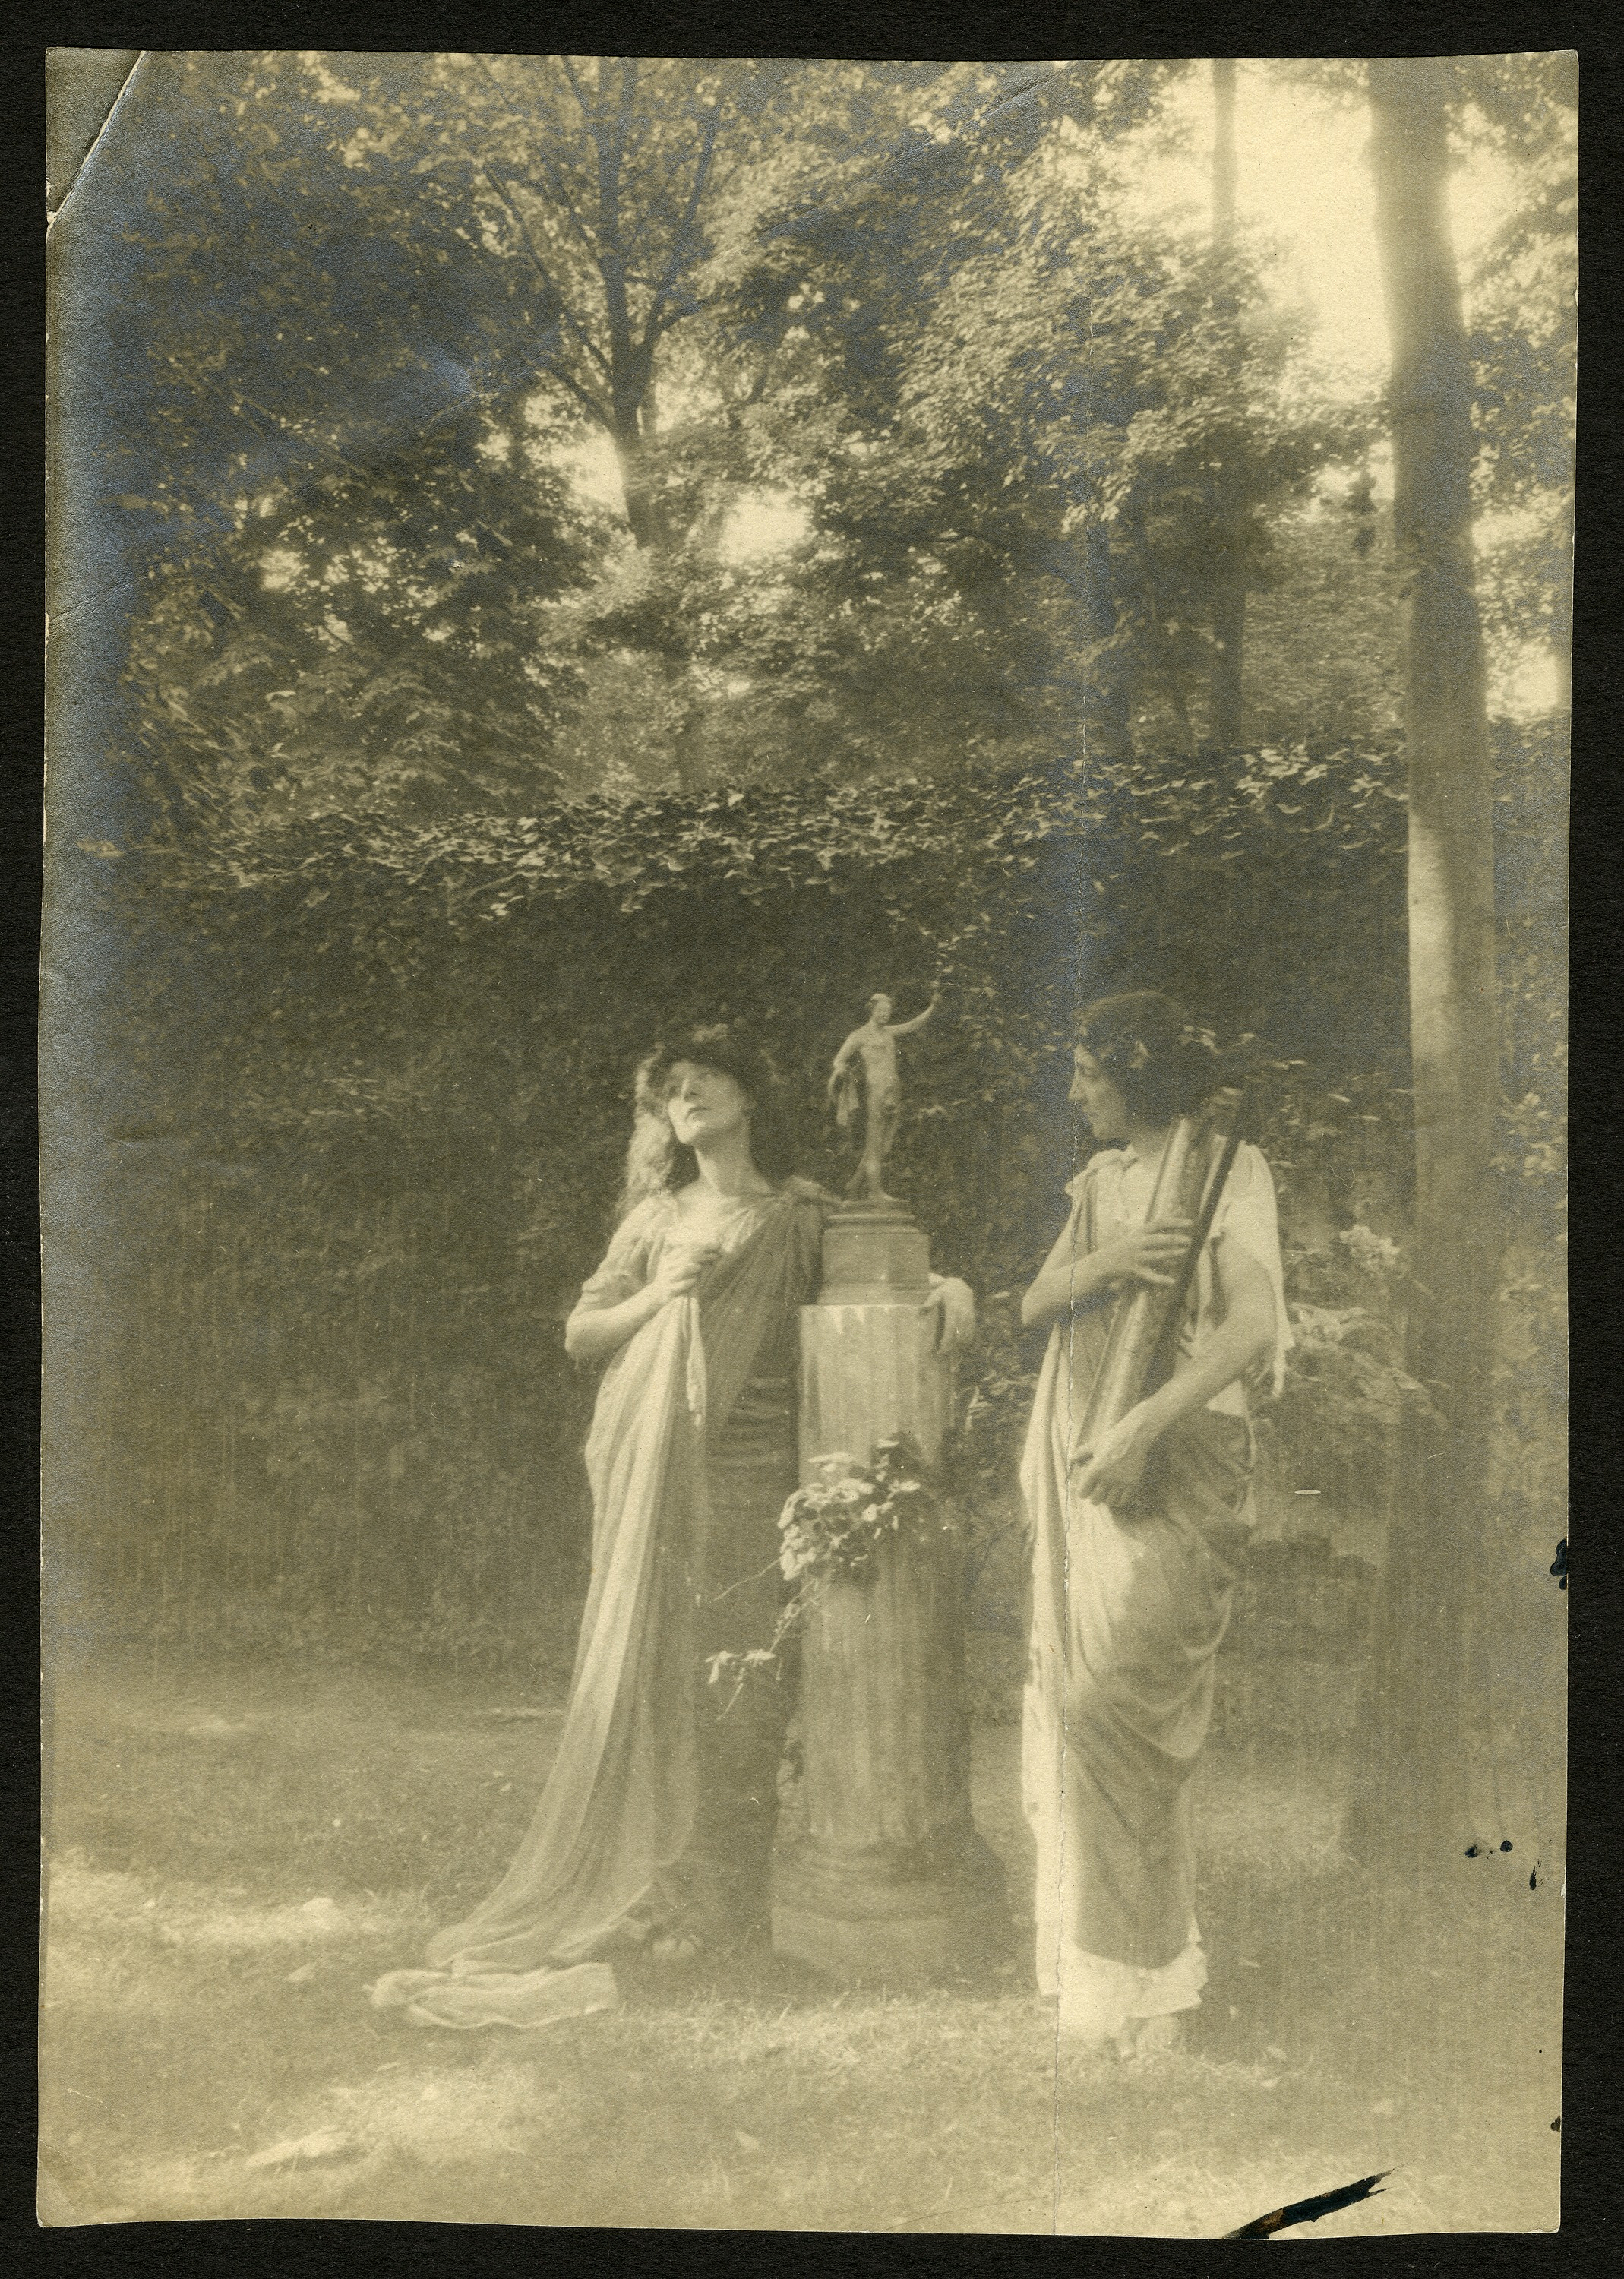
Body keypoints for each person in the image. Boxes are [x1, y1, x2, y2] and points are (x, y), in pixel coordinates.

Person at [379, 1021, 972, 2030]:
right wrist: (659, 1292)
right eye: (671, 1090)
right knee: (671, 1680)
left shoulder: (796, 1213)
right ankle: (677, 1903)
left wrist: (952, 1288)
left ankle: (728, 1911)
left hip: (756, 1484)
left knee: (740, 1689)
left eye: (704, 1080)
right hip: (659, 1470)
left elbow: (881, 1266)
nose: (685, 1096)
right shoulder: (655, 1217)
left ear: (747, 1098)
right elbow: (580, 1333)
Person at [1018, 991, 1291, 2057]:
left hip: (1178, 1452)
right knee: (1084, 1714)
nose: (1075, 1088)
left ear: (1137, 1071)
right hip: (1090, 1455)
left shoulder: (1224, 1165)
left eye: (1089, 1069)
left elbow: (1249, 1327)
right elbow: (1032, 1304)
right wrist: (1105, 1267)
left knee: (1131, 1713)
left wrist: (1142, 1421)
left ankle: (1159, 1999)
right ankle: (1111, 1991)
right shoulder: (1097, 1183)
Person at [827, 987, 941, 1199]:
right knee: (875, 1139)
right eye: (881, 1011)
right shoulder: (859, 1035)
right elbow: (839, 1060)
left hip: (893, 1089)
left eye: (887, 1011)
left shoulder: (890, 1031)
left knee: (883, 1141)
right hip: (875, 1091)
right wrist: (841, 1070)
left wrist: (933, 1006)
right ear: (872, 1011)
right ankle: (875, 1192)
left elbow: (914, 1025)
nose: (884, 1015)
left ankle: (854, 1185)